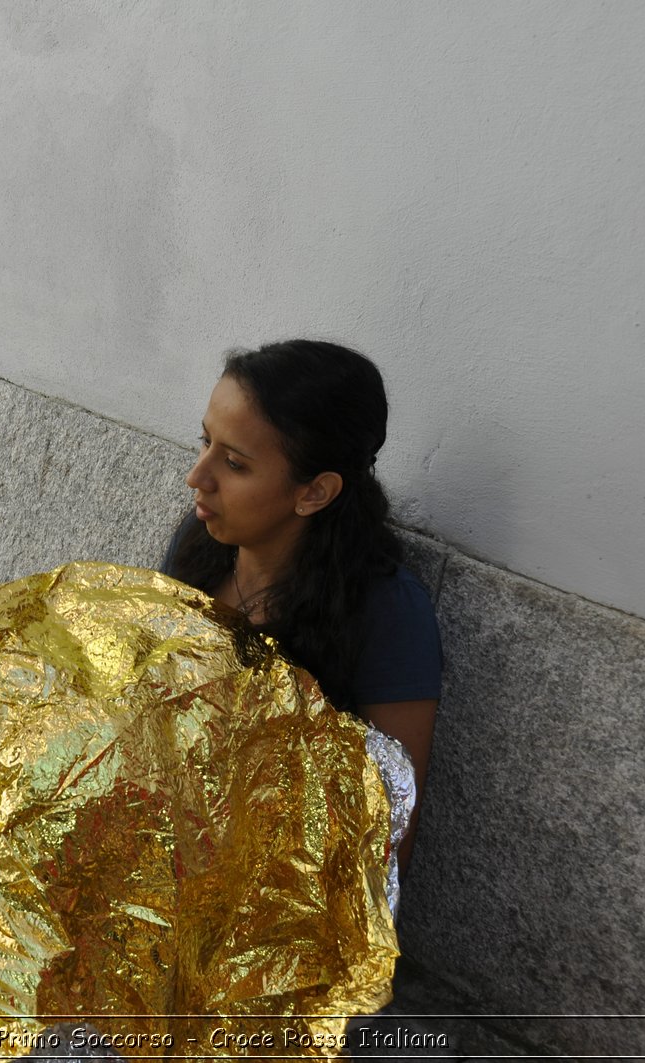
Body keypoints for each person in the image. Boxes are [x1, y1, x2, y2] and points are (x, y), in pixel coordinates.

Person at [162, 339, 441, 868]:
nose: (197, 477)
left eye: (235, 464)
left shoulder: (386, 612)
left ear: (314, 493)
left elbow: (387, 830)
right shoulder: (203, 545)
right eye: (204, 442)